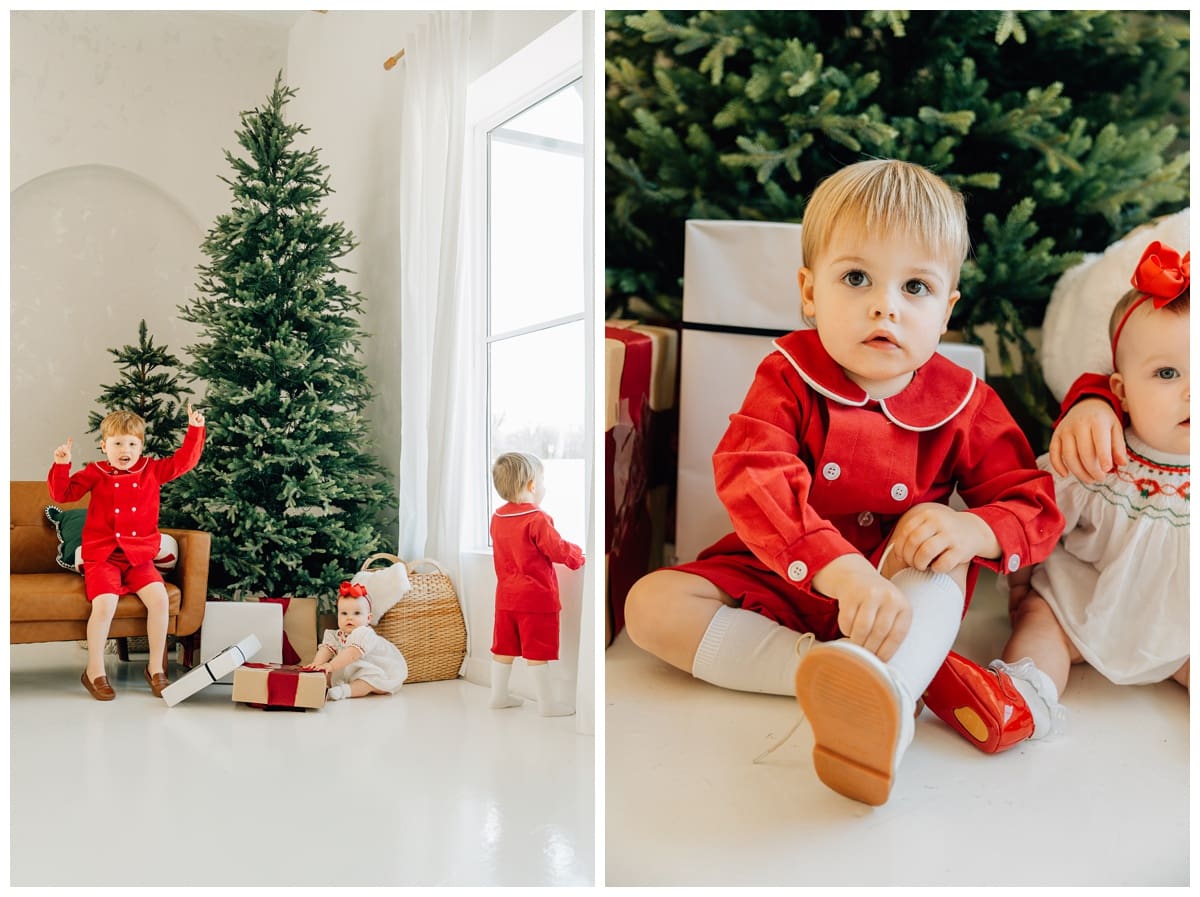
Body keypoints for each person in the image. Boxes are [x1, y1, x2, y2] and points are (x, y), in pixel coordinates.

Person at [623, 158, 1063, 805]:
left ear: (947, 310)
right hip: (784, 570)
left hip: (895, 582)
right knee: (649, 605)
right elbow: (752, 470)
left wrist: (972, 528)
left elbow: (1032, 502)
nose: (885, 304)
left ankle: (890, 701)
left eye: (916, 287)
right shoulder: (787, 374)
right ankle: (835, 674)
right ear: (810, 292)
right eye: (857, 278)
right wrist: (838, 569)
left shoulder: (965, 401)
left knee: (938, 558)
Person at [923, 241, 1190, 752]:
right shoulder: (1100, 455)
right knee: (1041, 626)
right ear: (1120, 390)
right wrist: (1022, 583)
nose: (1189, 391)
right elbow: (1035, 512)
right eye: (1166, 373)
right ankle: (1019, 701)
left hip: (1177, 626)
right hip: (1080, 607)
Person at [49, 404, 206, 700]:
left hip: (139, 557)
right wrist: (62, 464)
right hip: (103, 556)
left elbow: (184, 461)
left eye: (132, 444)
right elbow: (63, 494)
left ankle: (155, 668)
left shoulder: (152, 470)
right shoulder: (95, 472)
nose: (126, 450)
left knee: (160, 600)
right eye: (118, 443)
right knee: (105, 604)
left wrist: (195, 429)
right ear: (104, 446)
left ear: (141, 447)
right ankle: (94, 670)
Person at [489, 452, 585, 717]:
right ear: (532, 485)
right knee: (537, 651)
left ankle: (498, 695)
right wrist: (577, 556)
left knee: (503, 647)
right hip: (535, 598)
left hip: (506, 598)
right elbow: (557, 549)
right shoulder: (537, 518)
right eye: (542, 481)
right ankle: (547, 704)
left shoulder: (498, 517)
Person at [305, 581, 409, 700]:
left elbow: (352, 654)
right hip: (351, 670)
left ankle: (344, 691)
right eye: (344, 613)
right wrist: (317, 664)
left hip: (375, 670)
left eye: (357, 613)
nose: (349, 617)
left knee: (367, 682)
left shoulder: (364, 634)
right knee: (327, 673)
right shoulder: (335, 635)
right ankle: (318, 685)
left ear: (368, 618)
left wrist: (330, 665)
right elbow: (326, 649)